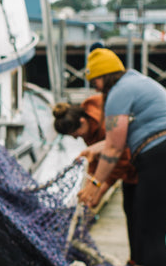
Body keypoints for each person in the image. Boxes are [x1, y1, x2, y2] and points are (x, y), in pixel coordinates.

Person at [75, 48, 166, 266]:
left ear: (104, 76)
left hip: (160, 158)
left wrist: (95, 184)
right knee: (145, 223)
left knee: (151, 233)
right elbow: (117, 139)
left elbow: (114, 149)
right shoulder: (137, 82)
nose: (95, 87)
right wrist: (93, 149)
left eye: (95, 81)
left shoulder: (118, 93)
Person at [52, 94, 137, 246]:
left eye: (77, 135)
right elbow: (97, 159)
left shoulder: (105, 126)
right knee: (130, 212)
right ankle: (136, 260)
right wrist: (89, 184)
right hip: (129, 170)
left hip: (139, 167)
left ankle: (140, 263)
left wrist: (99, 189)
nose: (78, 139)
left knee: (138, 215)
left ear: (82, 122)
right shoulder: (89, 127)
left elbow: (121, 161)